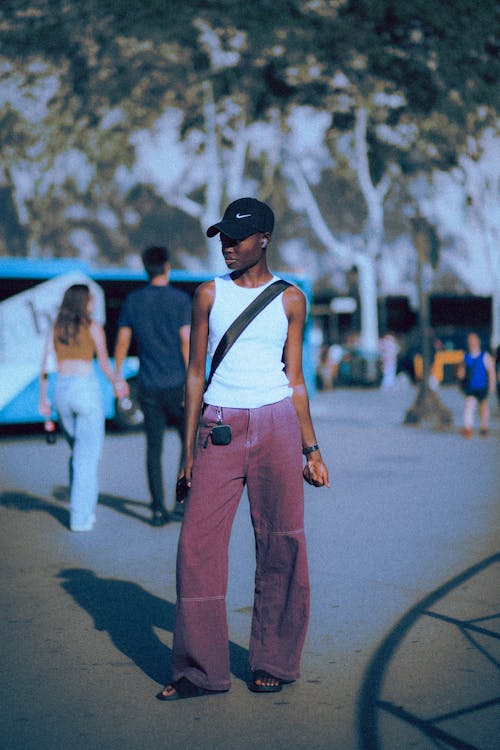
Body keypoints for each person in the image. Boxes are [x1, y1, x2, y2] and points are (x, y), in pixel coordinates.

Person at [157, 197, 330, 702]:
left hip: (277, 423)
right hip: (219, 427)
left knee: (282, 543)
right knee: (196, 546)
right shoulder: (208, 294)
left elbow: (295, 380)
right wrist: (189, 450)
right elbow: (194, 375)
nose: (228, 246)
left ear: (265, 239)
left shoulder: (292, 300)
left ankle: (272, 660)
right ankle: (200, 671)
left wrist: (311, 449)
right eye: (224, 238)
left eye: (239, 237)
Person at [114, 246, 191, 526]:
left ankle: (158, 509)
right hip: (179, 385)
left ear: (146, 268)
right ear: (167, 267)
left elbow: (123, 340)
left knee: (153, 448)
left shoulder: (134, 301)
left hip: (148, 386)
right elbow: (186, 342)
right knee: (189, 445)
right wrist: (193, 381)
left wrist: (118, 377)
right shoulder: (181, 300)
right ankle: (182, 505)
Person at [39, 284, 126, 532]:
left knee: (78, 452)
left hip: (61, 391)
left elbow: (44, 366)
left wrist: (43, 399)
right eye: (91, 300)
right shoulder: (93, 326)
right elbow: (104, 363)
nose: (95, 304)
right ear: (83, 302)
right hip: (85, 389)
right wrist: (118, 383)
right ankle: (80, 516)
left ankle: (82, 504)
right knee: (86, 457)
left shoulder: (56, 327)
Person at [457, 332, 496, 438]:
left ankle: (484, 428)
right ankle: (468, 428)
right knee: (469, 406)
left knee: (483, 407)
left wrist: (492, 384)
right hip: (471, 386)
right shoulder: (465, 357)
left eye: (473, 341)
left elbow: (491, 370)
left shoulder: (485, 355)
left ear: (478, 342)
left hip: (482, 386)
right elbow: (461, 372)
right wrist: (460, 379)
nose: (471, 343)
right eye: (470, 341)